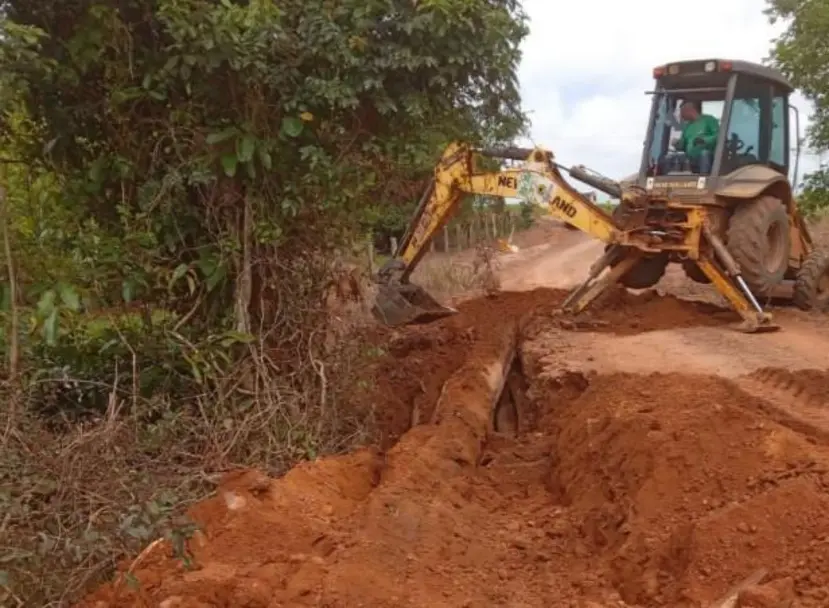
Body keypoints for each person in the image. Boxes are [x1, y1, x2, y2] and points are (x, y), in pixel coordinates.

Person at [671, 100, 719, 174]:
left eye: (682, 112)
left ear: (689, 110)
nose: (681, 115)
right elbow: (683, 145)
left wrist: (704, 140)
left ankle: (705, 177)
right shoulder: (687, 126)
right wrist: (677, 143)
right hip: (690, 157)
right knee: (670, 157)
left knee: (704, 154)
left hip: (708, 156)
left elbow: (719, 136)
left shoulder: (709, 120)